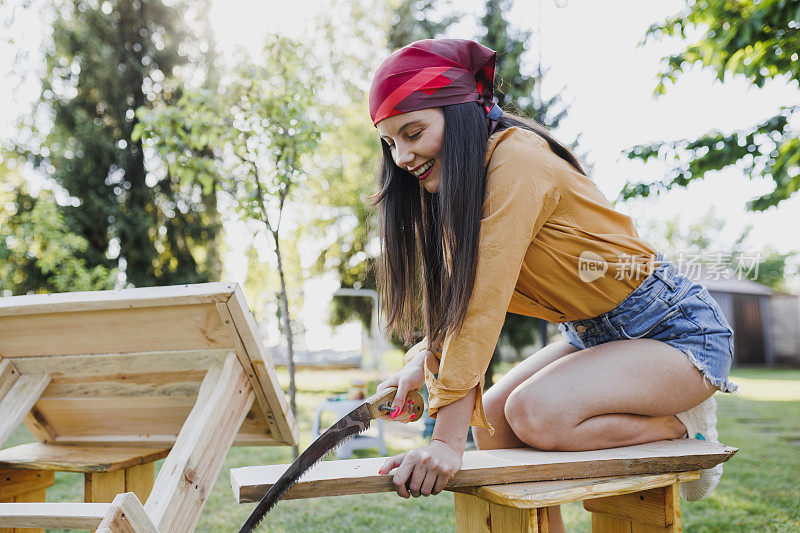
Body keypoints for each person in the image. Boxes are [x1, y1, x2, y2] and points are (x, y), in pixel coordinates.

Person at [370, 38, 736, 530]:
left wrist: (444, 443)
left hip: (675, 331)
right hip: (591, 331)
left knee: (536, 413)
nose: (402, 157)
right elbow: (460, 305)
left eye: (413, 133)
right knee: (496, 427)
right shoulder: (464, 191)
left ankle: (683, 425)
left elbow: (482, 303)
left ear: (460, 115)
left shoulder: (518, 161)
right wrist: (421, 361)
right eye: (390, 142)